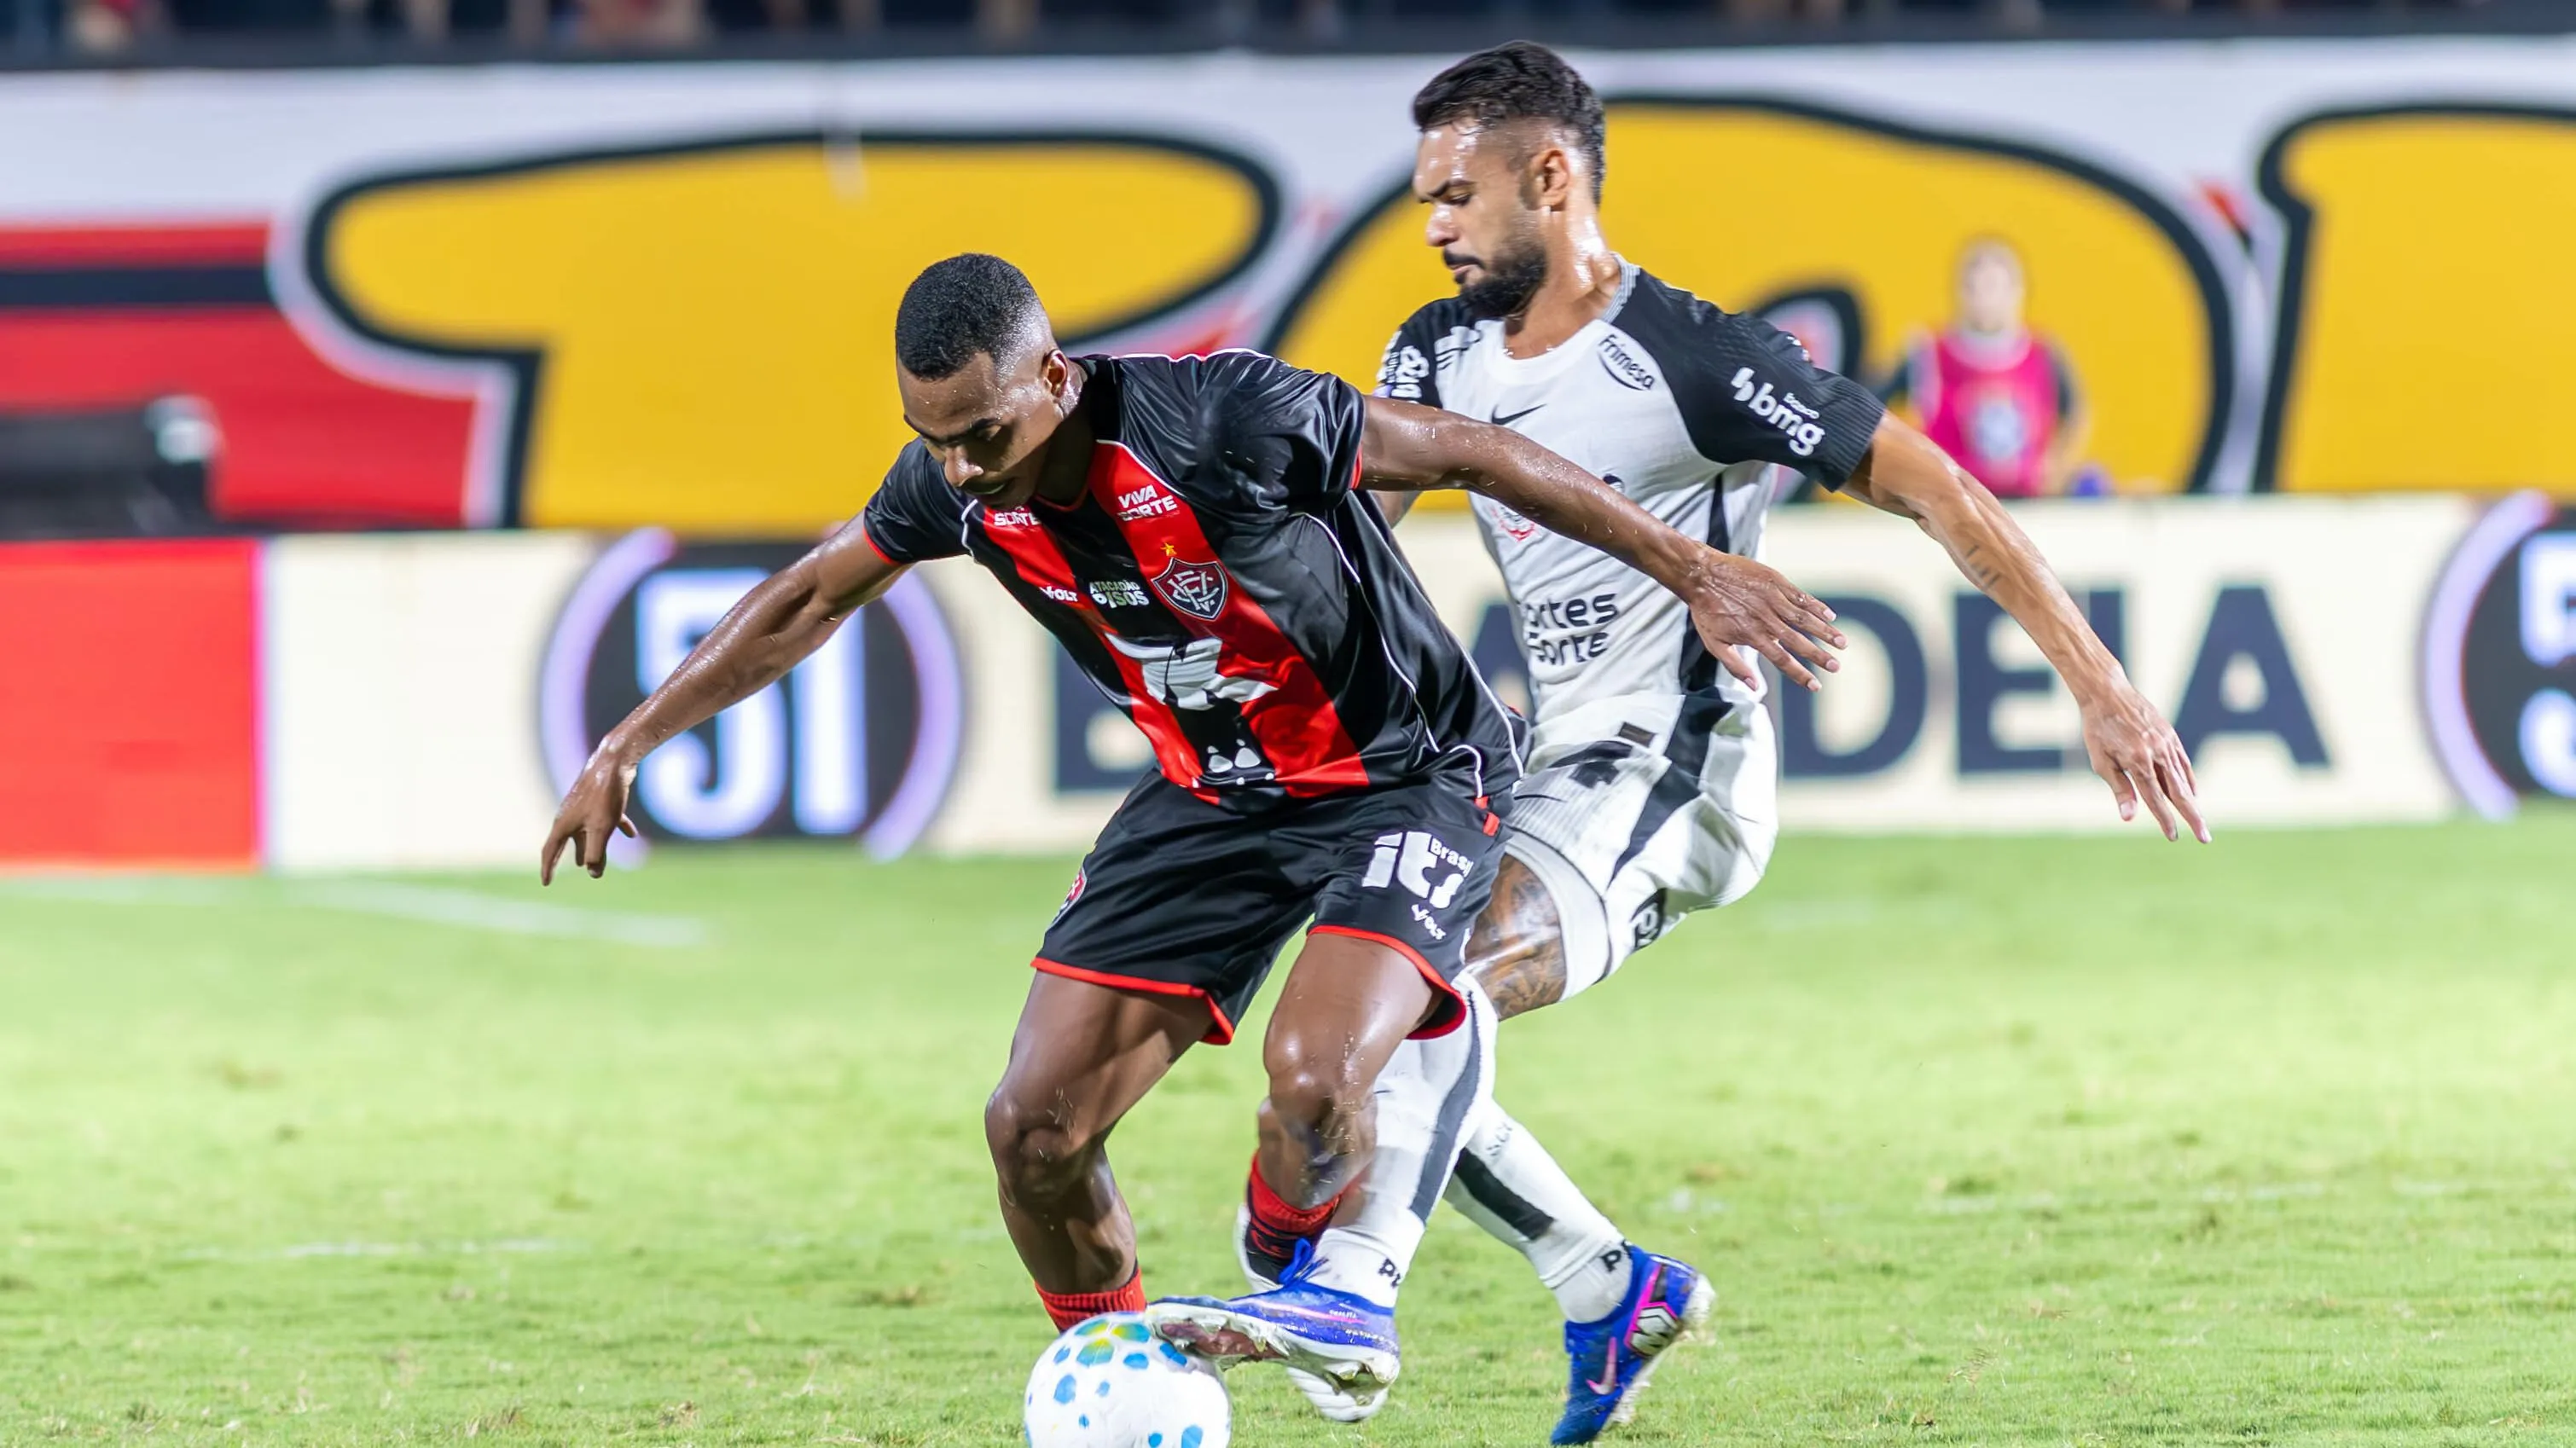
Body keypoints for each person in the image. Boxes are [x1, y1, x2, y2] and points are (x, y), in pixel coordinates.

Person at [1147, 42, 2207, 1445]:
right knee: (1390, 1014)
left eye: (1457, 195)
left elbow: (1941, 488)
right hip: (1549, 762)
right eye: (1424, 202)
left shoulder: (1696, 357)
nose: (1435, 226)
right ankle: (1609, 1284)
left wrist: (2104, 686)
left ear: (1551, 177)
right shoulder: (1433, 350)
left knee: (1437, 981)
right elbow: (1353, 555)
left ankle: (1352, 1292)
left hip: (1678, 768)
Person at [538, 252, 1846, 1360]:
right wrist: (628, 739)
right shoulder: (950, 482)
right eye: (934, 440)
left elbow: (1468, 450)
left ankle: (1291, 1235)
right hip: (1212, 795)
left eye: (982, 435)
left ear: (1054, 377)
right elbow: (810, 594)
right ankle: (1115, 1381)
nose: (962, 471)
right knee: (1031, 1130)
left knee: (1314, 1081)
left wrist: (1690, 566)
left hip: (1406, 773)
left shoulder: (1221, 418)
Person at [1883, 238, 2095, 499]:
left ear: (2018, 291)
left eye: (1994, 286)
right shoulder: (1926, 351)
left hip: (2028, 503)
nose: (1985, 298)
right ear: (1958, 291)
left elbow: (2076, 414)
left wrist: (2055, 468)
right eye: (1973, 287)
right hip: (1953, 504)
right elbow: (1875, 410)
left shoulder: (2044, 352)